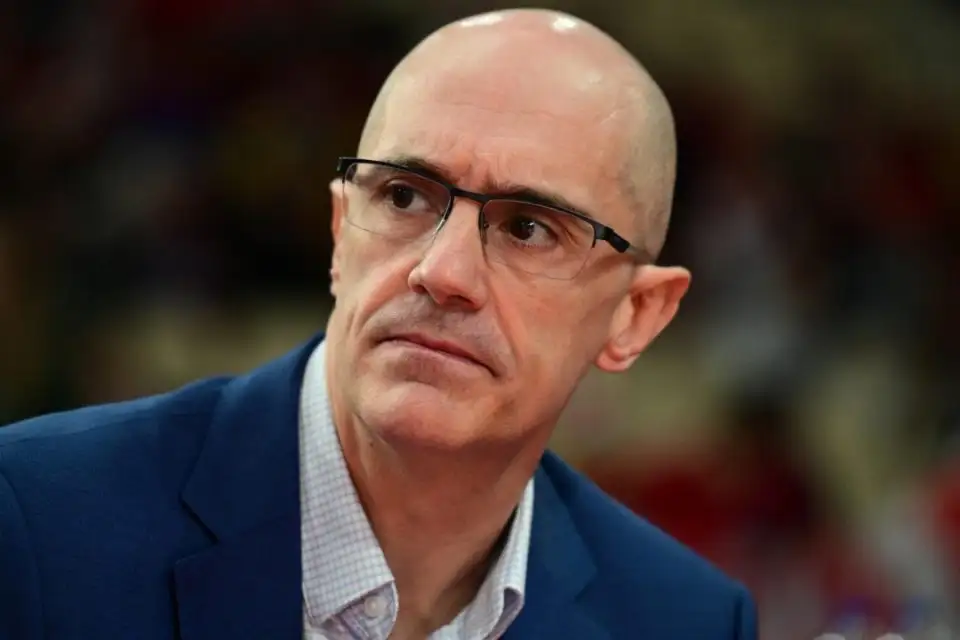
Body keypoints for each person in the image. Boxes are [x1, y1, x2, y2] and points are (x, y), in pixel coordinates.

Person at [0, 8, 758, 640]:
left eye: (529, 228)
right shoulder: (35, 519)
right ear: (340, 233)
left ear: (635, 315)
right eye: (404, 197)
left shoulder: (686, 622)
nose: (443, 273)